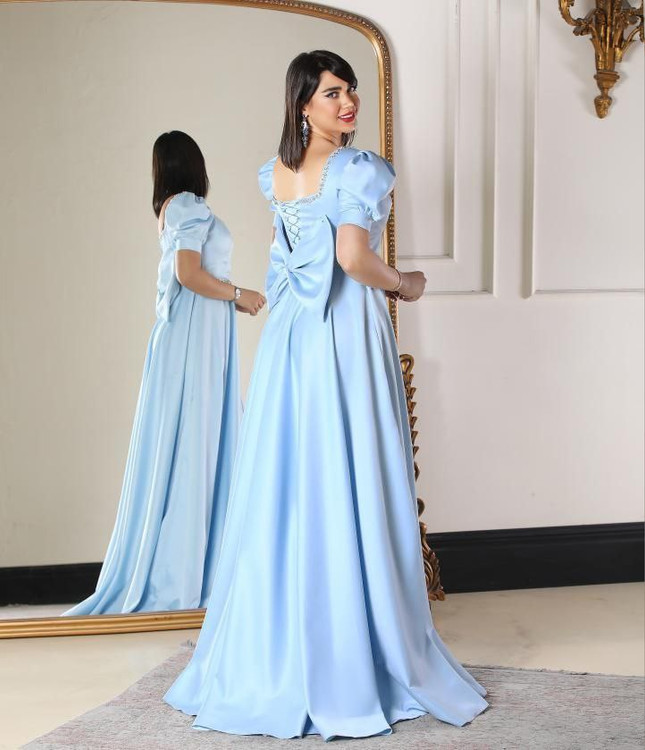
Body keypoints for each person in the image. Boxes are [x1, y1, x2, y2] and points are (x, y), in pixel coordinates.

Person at [164, 54, 488, 739]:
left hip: (290, 340)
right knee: (353, 467)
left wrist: (286, 318)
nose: (348, 102)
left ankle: (282, 643)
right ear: (303, 104)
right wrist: (405, 284)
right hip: (343, 333)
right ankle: (357, 644)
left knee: (289, 476)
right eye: (333, 92)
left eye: (351, 90)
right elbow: (351, 260)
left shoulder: (276, 174)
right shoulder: (357, 169)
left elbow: (281, 265)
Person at [64, 131, 265, 616]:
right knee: (195, 440)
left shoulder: (173, 208)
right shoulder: (189, 205)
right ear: (194, 165)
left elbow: (190, 275)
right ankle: (186, 574)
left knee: (191, 440)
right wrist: (240, 294)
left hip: (194, 331)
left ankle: (193, 565)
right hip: (195, 336)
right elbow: (188, 274)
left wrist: (231, 302)